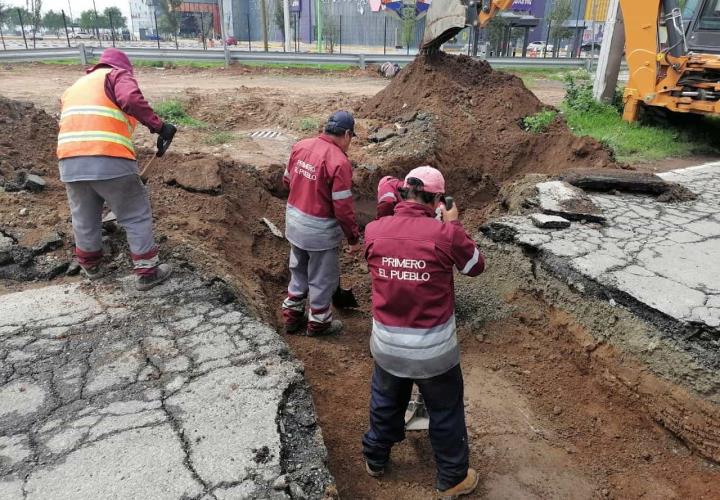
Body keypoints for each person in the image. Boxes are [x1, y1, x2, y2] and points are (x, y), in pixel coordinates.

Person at [362, 166, 485, 498]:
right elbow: (475, 266)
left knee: (386, 401)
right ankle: (452, 478)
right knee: (445, 411)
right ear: (438, 200)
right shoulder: (446, 234)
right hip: (433, 352)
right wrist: (454, 224)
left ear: (404, 193)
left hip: (387, 345)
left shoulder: (374, 230)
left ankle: (375, 458)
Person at [57, 48, 176, 291]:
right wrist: (159, 126)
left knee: (84, 215)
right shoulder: (116, 75)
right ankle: (147, 271)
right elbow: (131, 99)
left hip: (69, 161)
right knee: (135, 212)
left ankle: (91, 266)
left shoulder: (77, 86)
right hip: (108, 156)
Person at [281, 111, 361, 336]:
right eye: (351, 138)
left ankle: (292, 315)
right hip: (319, 232)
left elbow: (287, 180)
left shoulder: (301, 146)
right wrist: (353, 238)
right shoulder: (339, 161)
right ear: (346, 134)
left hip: (294, 222)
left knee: (298, 270)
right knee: (321, 278)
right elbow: (343, 208)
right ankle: (319, 323)